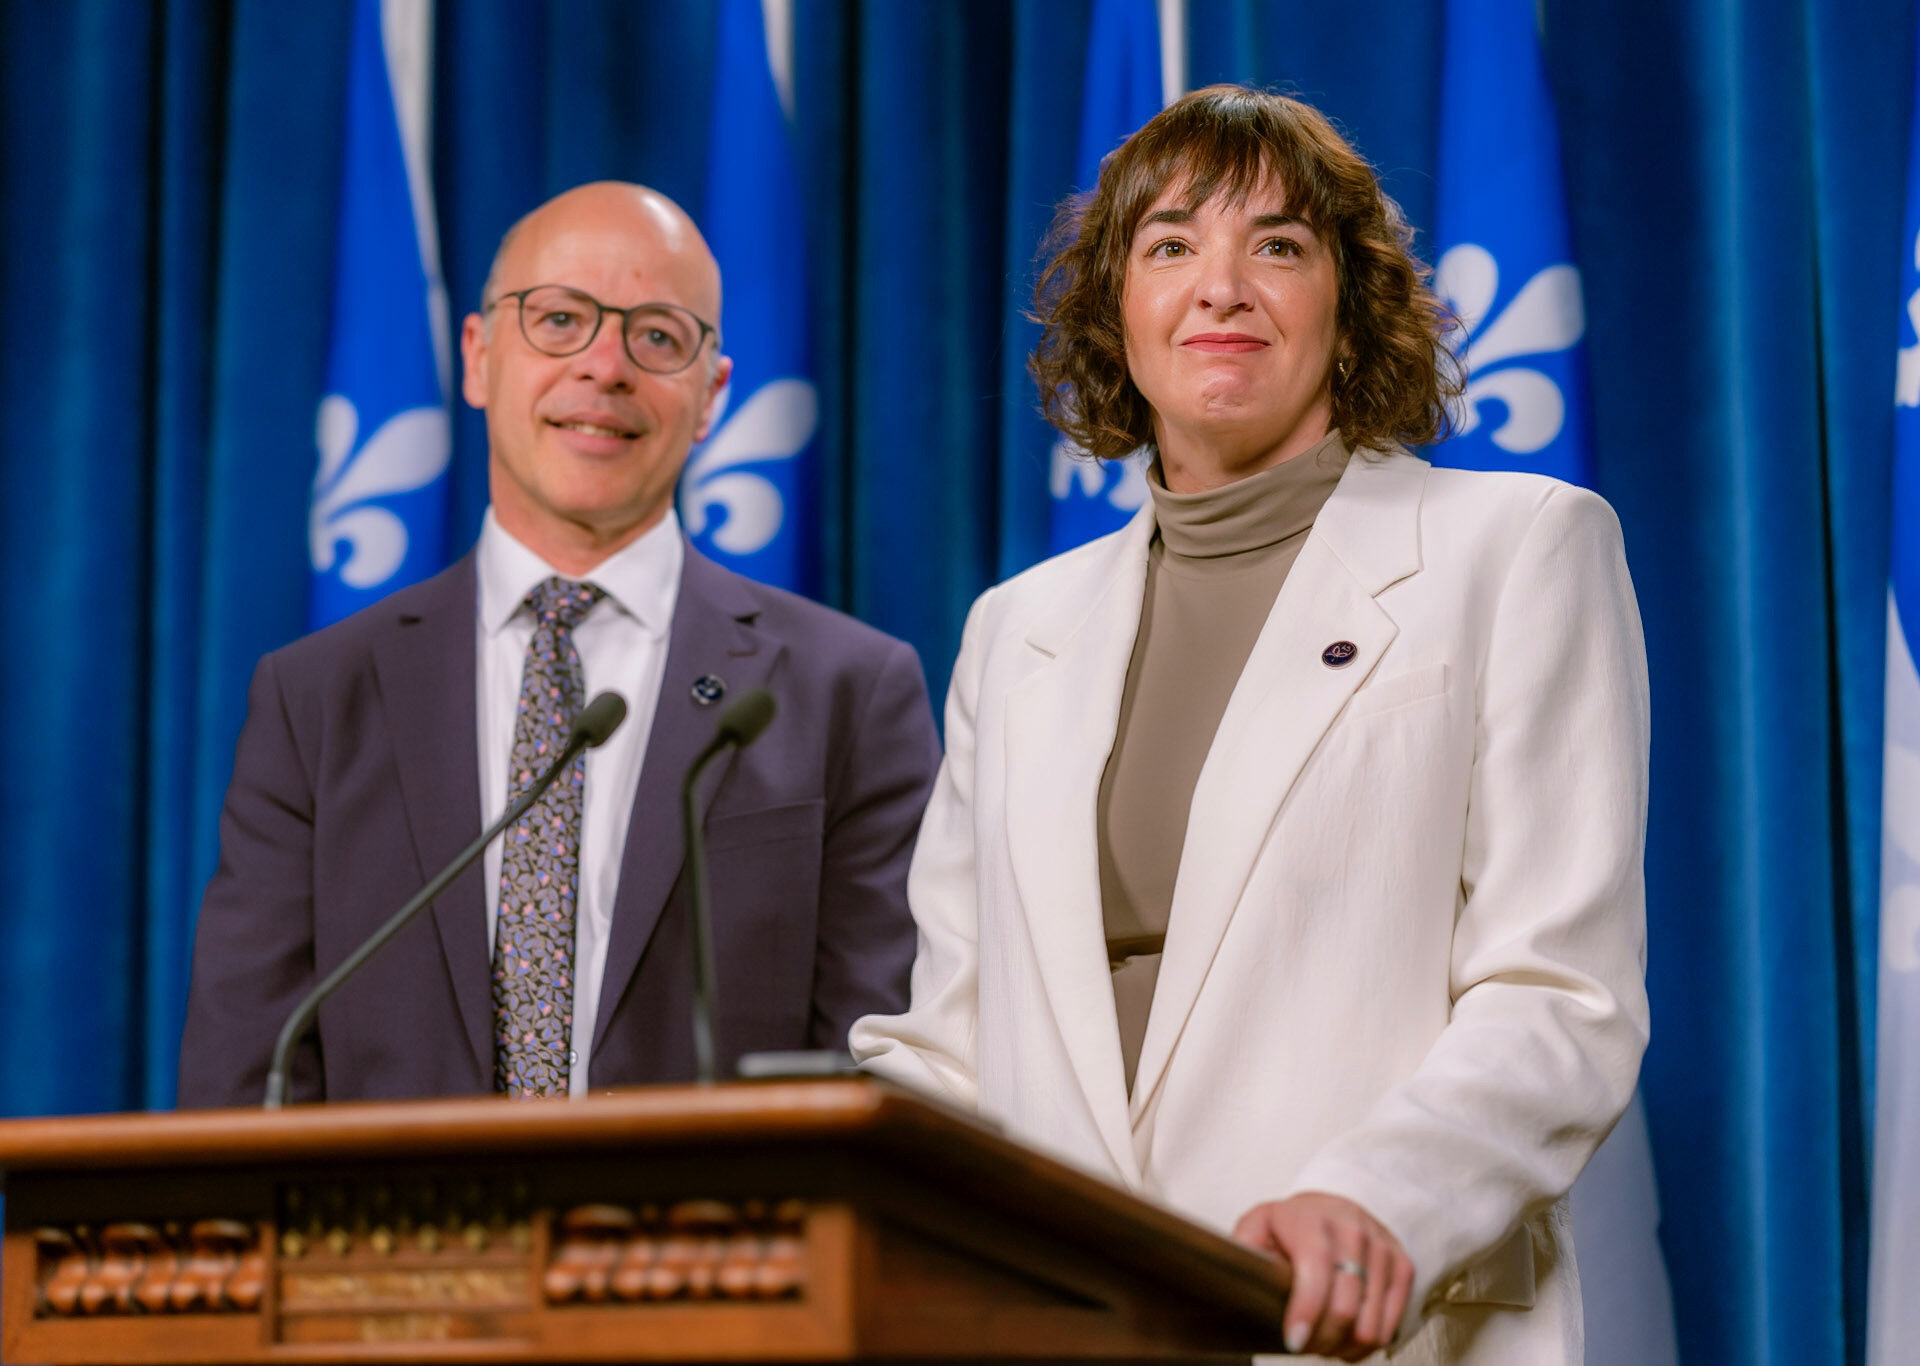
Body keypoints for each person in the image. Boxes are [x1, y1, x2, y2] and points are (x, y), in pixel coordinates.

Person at [850, 87, 1648, 1366]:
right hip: (1065, 1321)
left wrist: (1379, 1199)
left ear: (1350, 303)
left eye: (1276, 245)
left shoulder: (1518, 550)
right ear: (1119, 312)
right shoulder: (1017, 628)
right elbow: (954, 1041)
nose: (1220, 287)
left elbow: (1559, 996)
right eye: (1170, 246)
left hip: (1370, 1327)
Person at [180, 182, 939, 1107]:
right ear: (478, 356)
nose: (605, 366)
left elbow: (879, 1069)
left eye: (657, 335)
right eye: (559, 319)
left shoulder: (849, 695)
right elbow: (247, 1078)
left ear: (711, 395)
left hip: (725, 1245)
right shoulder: (317, 698)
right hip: (391, 1243)